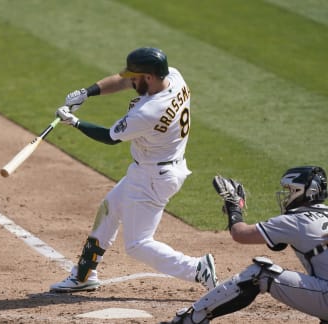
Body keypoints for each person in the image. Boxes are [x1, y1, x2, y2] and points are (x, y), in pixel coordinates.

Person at [49, 47, 218, 293]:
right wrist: (87, 93)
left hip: (154, 178)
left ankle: (197, 269)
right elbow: (122, 80)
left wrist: (74, 122)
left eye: (135, 76)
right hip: (153, 169)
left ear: (148, 77)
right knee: (110, 208)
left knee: (138, 244)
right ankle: (84, 275)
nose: (130, 79)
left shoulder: (148, 112)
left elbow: (109, 137)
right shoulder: (174, 76)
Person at [163, 166, 328, 324]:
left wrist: (234, 205)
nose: (286, 195)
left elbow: (240, 233)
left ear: (304, 192)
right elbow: (279, 245)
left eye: (290, 190)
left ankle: (192, 319)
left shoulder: (296, 220)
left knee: (261, 274)